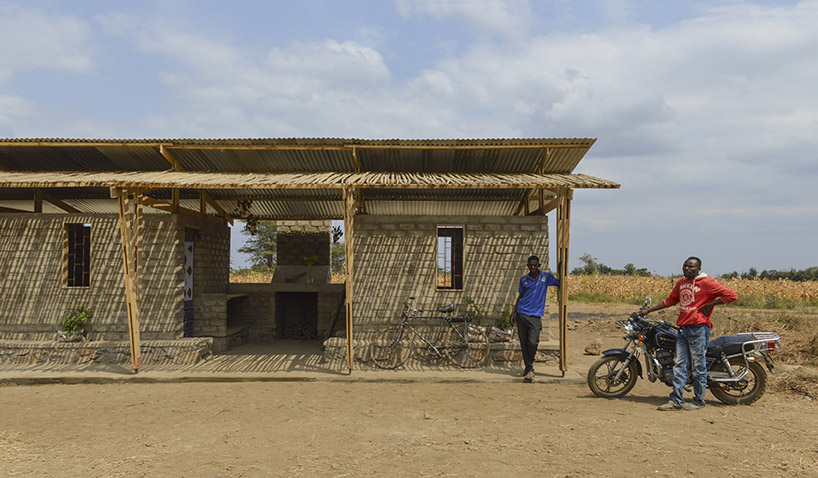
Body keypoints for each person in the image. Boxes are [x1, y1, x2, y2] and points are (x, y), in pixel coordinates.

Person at [638, 256, 737, 410]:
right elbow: (670, 301)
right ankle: (676, 401)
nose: (687, 268)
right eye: (685, 266)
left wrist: (710, 304)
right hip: (684, 330)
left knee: (698, 366)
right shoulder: (681, 282)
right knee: (680, 365)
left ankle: (699, 401)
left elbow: (731, 296)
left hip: (699, 329)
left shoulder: (706, 282)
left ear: (698, 269)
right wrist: (648, 310)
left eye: (691, 266)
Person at [512, 255, 560, 383]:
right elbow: (520, 297)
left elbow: (559, 282)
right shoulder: (524, 280)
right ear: (528, 266)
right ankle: (529, 369)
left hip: (535, 316)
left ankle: (529, 366)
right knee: (524, 343)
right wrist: (513, 313)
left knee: (532, 343)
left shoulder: (545, 278)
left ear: (539, 266)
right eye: (530, 265)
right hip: (521, 314)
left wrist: (560, 268)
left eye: (535, 265)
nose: (532, 267)